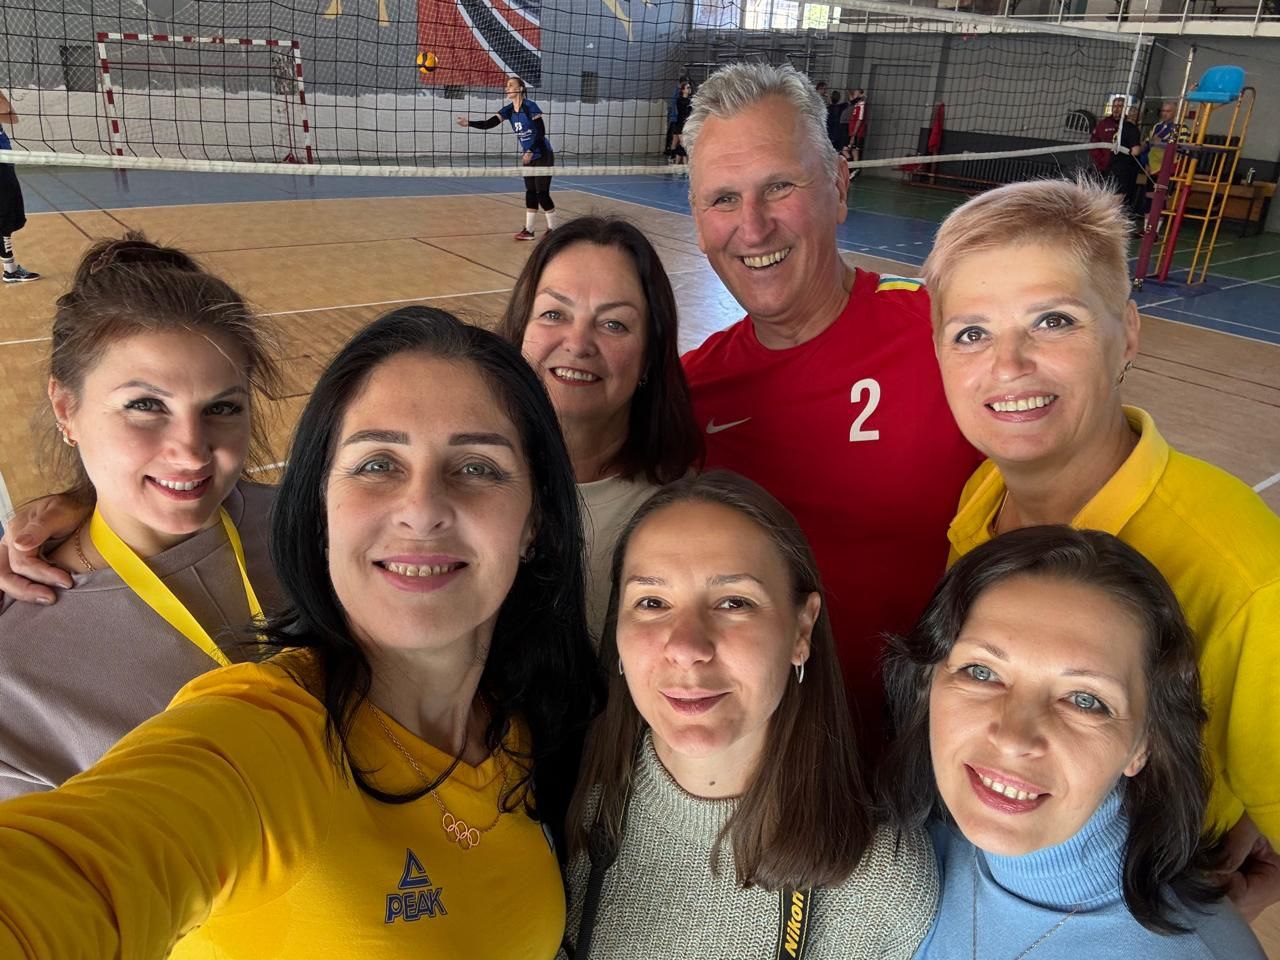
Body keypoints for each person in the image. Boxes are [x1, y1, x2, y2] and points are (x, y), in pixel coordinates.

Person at [0, 307, 602, 958]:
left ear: (535, 519)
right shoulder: (261, 739)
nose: (423, 509)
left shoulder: (525, 715)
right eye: (377, 464)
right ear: (321, 507)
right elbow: (76, 873)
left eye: (477, 467)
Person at [923, 177, 1280, 916]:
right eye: (971, 333)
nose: (1009, 365)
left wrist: (1207, 925)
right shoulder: (982, 494)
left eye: (1053, 321)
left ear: (1130, 334)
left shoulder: (1243, 567)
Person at [679, 62, 981, 752]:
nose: (752, 227)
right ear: (697, 222)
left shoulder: (949, 338)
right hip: (770, 758)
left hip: (937, 760)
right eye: (723, 199)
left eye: (779, 186)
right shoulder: (690, 393)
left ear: (840, 187)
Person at [563, 471, 937, 957]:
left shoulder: (883, 887)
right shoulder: (561, 803)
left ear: (802, 630)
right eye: (652, 602)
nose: (687, 647)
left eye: (733, 602)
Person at [880, 526, 1265, 958]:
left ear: (1145, 744)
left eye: (1085, 700)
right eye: (982, 672)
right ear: (929, 682)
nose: (1013, 739)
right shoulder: (895, 854)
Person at [0, 233, 283, 798]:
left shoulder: (309, 526)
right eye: (146, 405)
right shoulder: (17, 680)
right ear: (66, 408)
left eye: (222, 407)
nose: (192, 451)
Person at [500, 216, 701, 638]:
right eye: (553, 313)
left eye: (614, 324)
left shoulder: (680, 517)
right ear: (520, 330)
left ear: (649, 357)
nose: (577, 344)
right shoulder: (465, 481)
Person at [457, 77, 556, 241]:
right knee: (530, 192)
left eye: (511, 85)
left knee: (542, 193)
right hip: (528, 156)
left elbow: (541, 133)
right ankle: (529, 230)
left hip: (543, 154)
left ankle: (553, 229)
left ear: (520, 89)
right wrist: (469, 123)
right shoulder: (509, 110)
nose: (507, 88)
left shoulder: (530, 106)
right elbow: (488, 123)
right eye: (507, 86)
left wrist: (530, 150)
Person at [0, 90, 39, 284]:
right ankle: (10, 270)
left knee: (8, 215)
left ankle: (10, 269)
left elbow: (13, 118)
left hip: (5, 158)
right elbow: (5, 107)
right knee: (5, 217)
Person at [1089, 96, 1142, 214]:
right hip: (1103, 167)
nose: (1116, 109)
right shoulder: (1103, 124)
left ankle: (1106, 218)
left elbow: (1135, 150)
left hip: (1121, 169)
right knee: (1099, 195)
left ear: (1125, 109)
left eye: (1120, 106)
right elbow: (1094, 144)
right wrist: (1101, 161)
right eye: (1115, 106)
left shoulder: (1128, 127)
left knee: (1115, 199)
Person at [663, 80, 693, 164]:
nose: (689, 89)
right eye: (687, 88)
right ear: (683, 90)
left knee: (676, 141)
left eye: (690, 87)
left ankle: (675, 159)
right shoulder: (679, 100)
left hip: (685, 123)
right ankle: (674, 158)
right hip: (680, 123)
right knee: (681, 142)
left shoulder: (690, 100)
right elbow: (684, 111)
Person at [844, 88, 868, 174]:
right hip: (852, 132)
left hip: (857, 133)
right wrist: (848, 90)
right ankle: (854, 169)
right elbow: (852, 99)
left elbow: (859, 120)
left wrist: (854, 135)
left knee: (852, 151)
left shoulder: (862, 105)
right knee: (851, 151)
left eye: (856, 93)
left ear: (860, 94)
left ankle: (854, 170)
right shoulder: (857, 103)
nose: (854, 94)